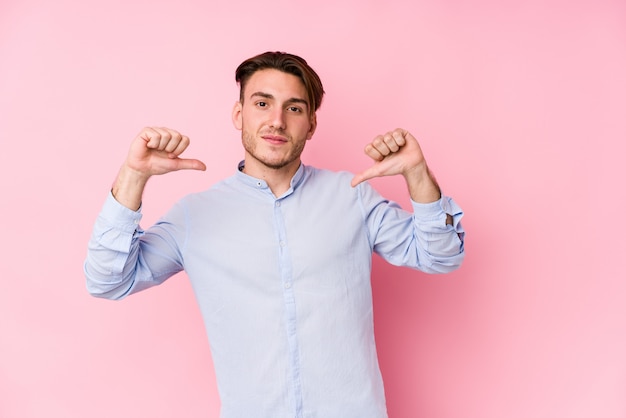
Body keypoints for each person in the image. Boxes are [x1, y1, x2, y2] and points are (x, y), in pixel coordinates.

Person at [84, 51, 465, 418]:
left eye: (294, 108)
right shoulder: (194, 216)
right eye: (262, 104)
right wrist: (133, 176)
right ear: (239, 114)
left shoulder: (353, 198)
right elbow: (108, 280)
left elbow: (441, 255)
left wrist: (417, 173)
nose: (277, 121)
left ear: (311, 124)